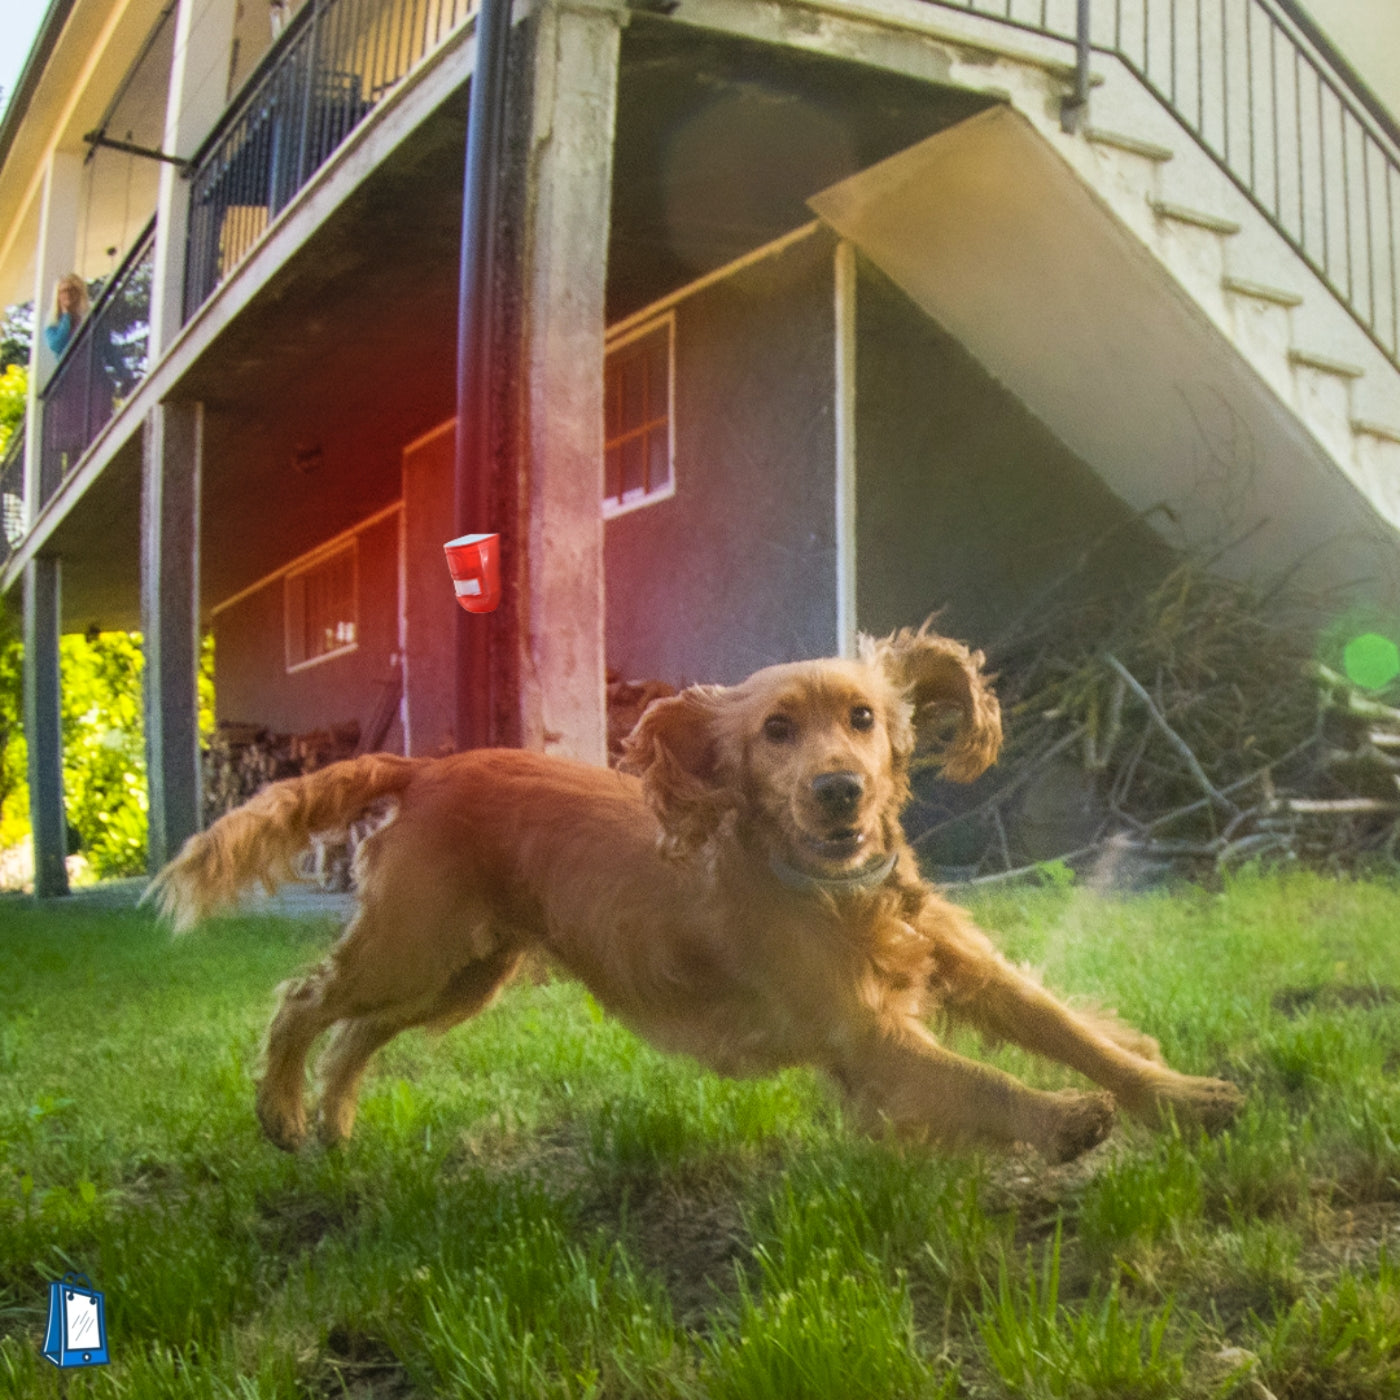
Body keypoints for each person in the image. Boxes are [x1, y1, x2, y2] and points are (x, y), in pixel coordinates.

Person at [44, 274, 89, 357]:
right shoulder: (53, 321)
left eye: (71, 290)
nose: (68, 294)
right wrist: (66, 316)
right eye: (63, 291)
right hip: (69, 368)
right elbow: (56, 345)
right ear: (58, 296)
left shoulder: (88, 318)